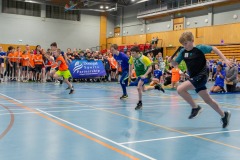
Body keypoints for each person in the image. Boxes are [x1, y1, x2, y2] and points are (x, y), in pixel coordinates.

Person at [168, 31, 231, 128]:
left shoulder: (200, 48)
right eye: (182, 44)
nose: (184, 46)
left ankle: (195, 107)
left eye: (186, 43)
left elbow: (215, 49)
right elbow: (175, 64)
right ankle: (224, 115)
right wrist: (171, 61)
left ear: (192, 40)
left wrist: (225, 59)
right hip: (194, 78)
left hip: (201, 76)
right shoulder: (183, 52)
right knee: (208, 100)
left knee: (180, 89)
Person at [129, 46, 164, 110]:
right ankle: (156, 87)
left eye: (133, 53)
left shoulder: (144, 58)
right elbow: (130, 64)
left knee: (138, 87)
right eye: (131, 53)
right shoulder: (132, 57)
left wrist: (145, 75)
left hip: (146, 74)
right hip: (139, 75)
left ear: (137, 52)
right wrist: (130, 73)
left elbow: (150, 68)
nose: (132, 54)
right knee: (144, 90)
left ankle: (140, 103)